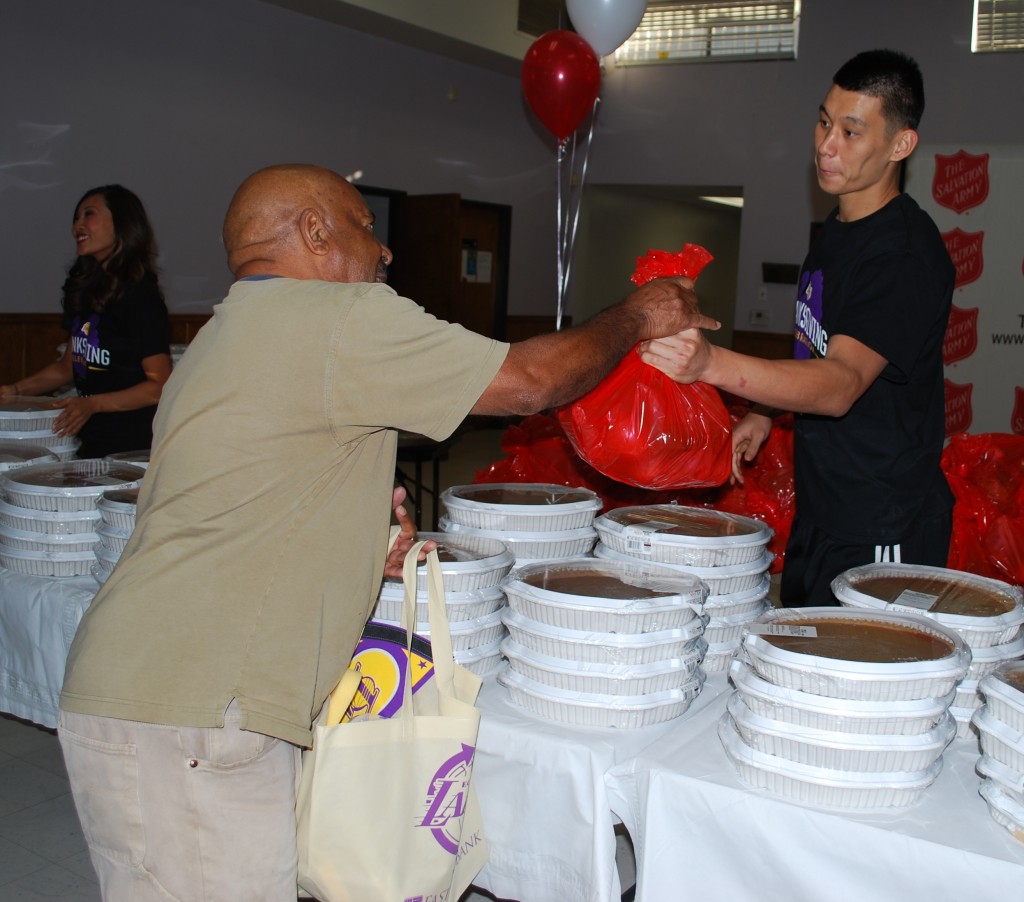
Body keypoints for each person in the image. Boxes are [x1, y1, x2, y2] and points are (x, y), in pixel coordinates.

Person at [56, 163, 717, 900]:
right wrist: (638, 316)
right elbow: (531, 381)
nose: (385, 252)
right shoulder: (336, 318)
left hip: (153, 691)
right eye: (365, 228)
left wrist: (354, 545)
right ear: (313, 232)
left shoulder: (218, 339)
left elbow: (225, 506)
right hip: (192, 715)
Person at [641, 49, 955, 607]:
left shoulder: (904, 253)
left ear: (901, 145)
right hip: (823, 509)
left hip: (885, 523)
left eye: (852, 132)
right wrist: (764, 413)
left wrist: (711, 363)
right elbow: (817, 347)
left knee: (857, 680)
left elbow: (839, 386)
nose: (826, 145)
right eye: (824, 121)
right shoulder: (834, 233)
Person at [0, 185, 172, 459]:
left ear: (122, 223)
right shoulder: (87, 291)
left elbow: (160, 385)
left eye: (88, 214)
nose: (77, 226)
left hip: (133, 447)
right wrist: (15, 391)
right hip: (90, 440)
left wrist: (93, 404)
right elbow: (67, 367)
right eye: (75, 218)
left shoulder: (141, 297)